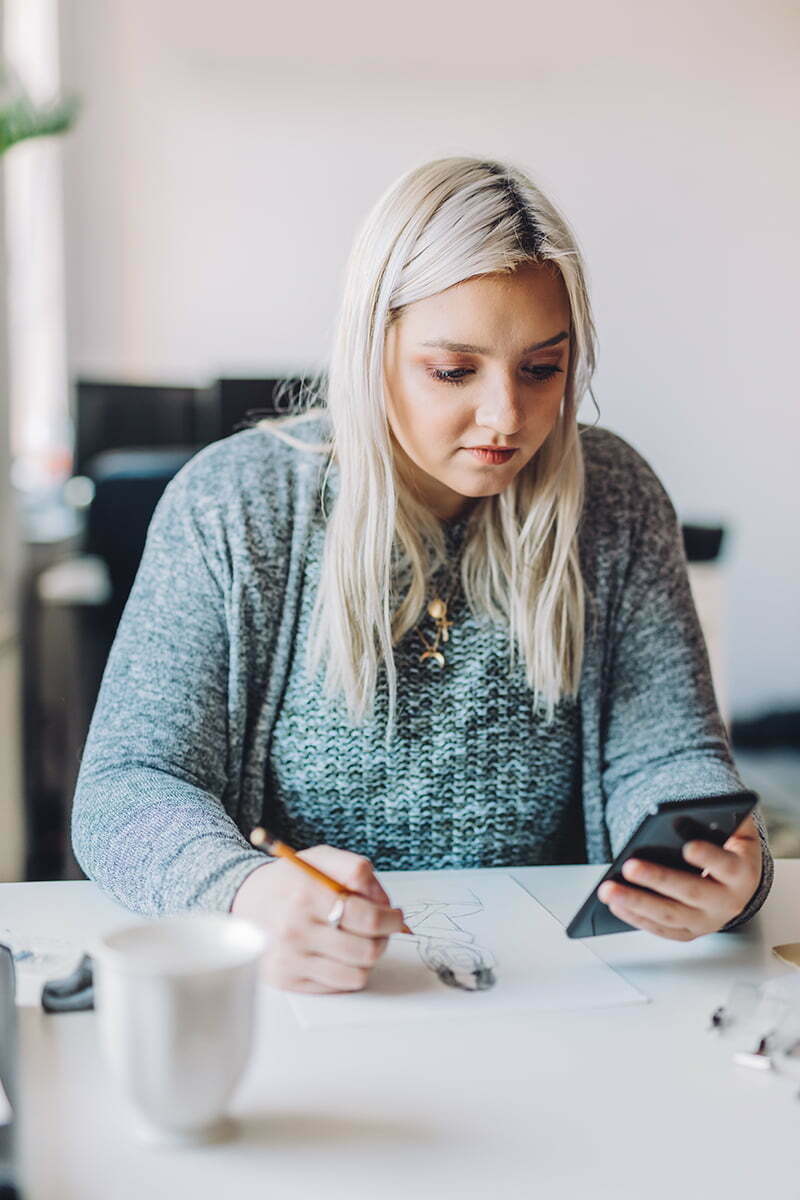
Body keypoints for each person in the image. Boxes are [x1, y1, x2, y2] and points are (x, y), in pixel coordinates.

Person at [71, 155, 773, 994]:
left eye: (542, 369)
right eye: (454, 371)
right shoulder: (235, 503)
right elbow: (125, 790)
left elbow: (671, 756)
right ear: (373, 348)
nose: (507, 417)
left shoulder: (614, 499)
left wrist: (721, 866)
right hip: (315, 997)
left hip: (550, 990)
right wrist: (242, 891)